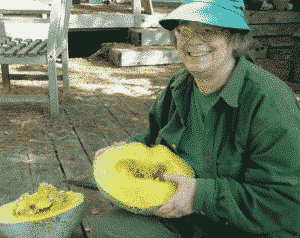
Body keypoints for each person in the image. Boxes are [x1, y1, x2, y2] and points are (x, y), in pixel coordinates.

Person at [91, 0, 300, 237]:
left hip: (249, 230)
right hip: (193, 222)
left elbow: (286, 203)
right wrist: (126, 150)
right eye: (185, 30)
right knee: (108, 228)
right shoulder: (179, 86)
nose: (193, 41)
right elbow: (154, 141)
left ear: (234, 38)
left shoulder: (270, 102)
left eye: (209, 31)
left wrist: (199, 196)